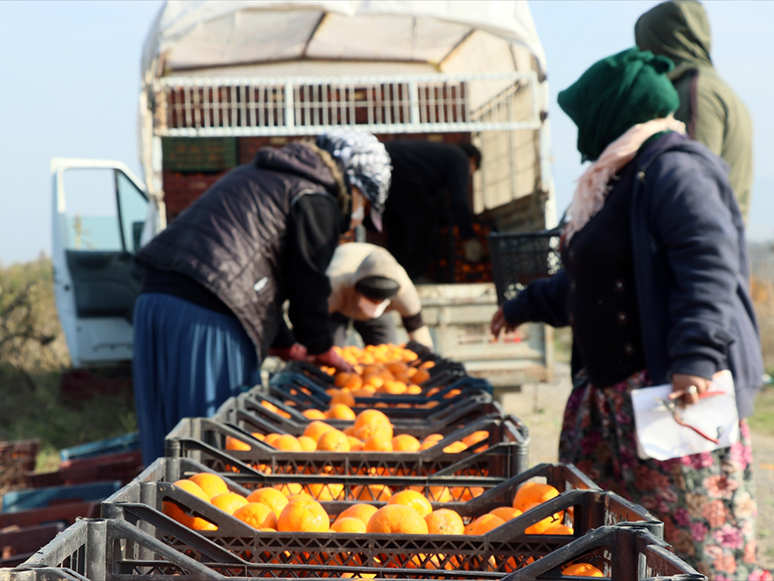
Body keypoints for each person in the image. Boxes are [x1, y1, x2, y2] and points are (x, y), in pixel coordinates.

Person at [490, 48, 767, 579]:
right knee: (601, 545)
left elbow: (708, 261)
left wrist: (696, 355)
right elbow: (589, 281)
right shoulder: (621, 177)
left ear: (611, 112)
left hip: (672, 396)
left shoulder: (673, 168)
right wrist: (524, 306)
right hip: (611, 404)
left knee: (696, 547)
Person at [132, 129, 391, 465]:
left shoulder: (263, 175)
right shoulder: (316, 196)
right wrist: (321, 345)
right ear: (355, 185)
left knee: (164, 450)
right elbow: (307, 280)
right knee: (210, 452)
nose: (357, 218)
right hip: (208, 315)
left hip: (155, 302)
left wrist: (284, 342)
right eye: (365, 206)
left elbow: (256, 271)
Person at [635, 0, 753, 222]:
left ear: (661, 44)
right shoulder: (716, 88)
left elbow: (692, 188)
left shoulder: (696, 93)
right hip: (714, 246)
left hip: (700, 249)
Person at [381, 140, 485, 281]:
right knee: (425, 220)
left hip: (385, 170)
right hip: (401, 171)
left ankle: (394, 276)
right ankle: (413, 275)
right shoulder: (460, 158)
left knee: (399, 226)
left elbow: (436, 199)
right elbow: (459, 201)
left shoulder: (438, 158)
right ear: (472, 161)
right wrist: (468, 237)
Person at [326, 242, 434, 349]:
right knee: (330, 350)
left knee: (385, 352)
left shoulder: (404, 291)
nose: (375, 304)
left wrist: (425, 357)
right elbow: (314, 322)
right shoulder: (335, 286)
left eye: (380, 300)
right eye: (371, 299)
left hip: (382, 315)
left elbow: (418, 331)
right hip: (337, 309)